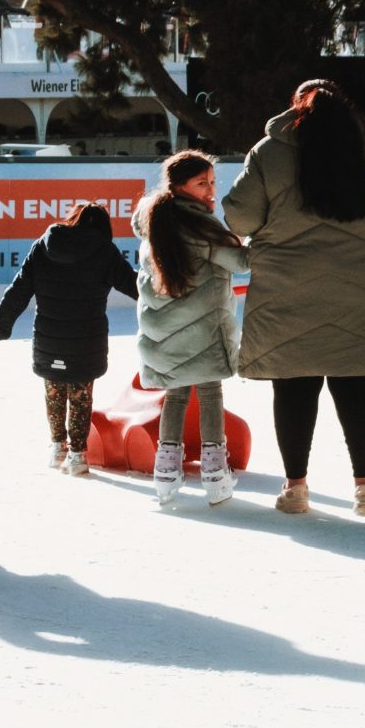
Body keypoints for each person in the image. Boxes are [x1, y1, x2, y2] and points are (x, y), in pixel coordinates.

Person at [226, 79, 365, 515]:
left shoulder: (268, 151)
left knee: (293, 388)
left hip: (285, 291)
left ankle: (295, 488)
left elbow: (239, 214)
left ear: (295, 107)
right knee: (359, 388)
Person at [133, 154, 250, 509]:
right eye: (202, 183)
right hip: (201, 330)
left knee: (176, 395)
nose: (211, 190)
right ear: (180, 186)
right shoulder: (201, 226)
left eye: (213, 181)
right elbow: (242, 262)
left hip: (164, 333)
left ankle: (166, 470)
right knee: (211, 393)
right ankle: (215, 471)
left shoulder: (154, 223)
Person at [0, 199, 137, 480]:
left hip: (50, 337)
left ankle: (58, 447)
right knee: (81, 395)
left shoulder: (44, 246)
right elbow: (133, 285)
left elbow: (19, 289)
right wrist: (167, 298)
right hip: (86, 340)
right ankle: (78, 456)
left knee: (54, 390)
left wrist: (2, 325)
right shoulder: (104, 251)